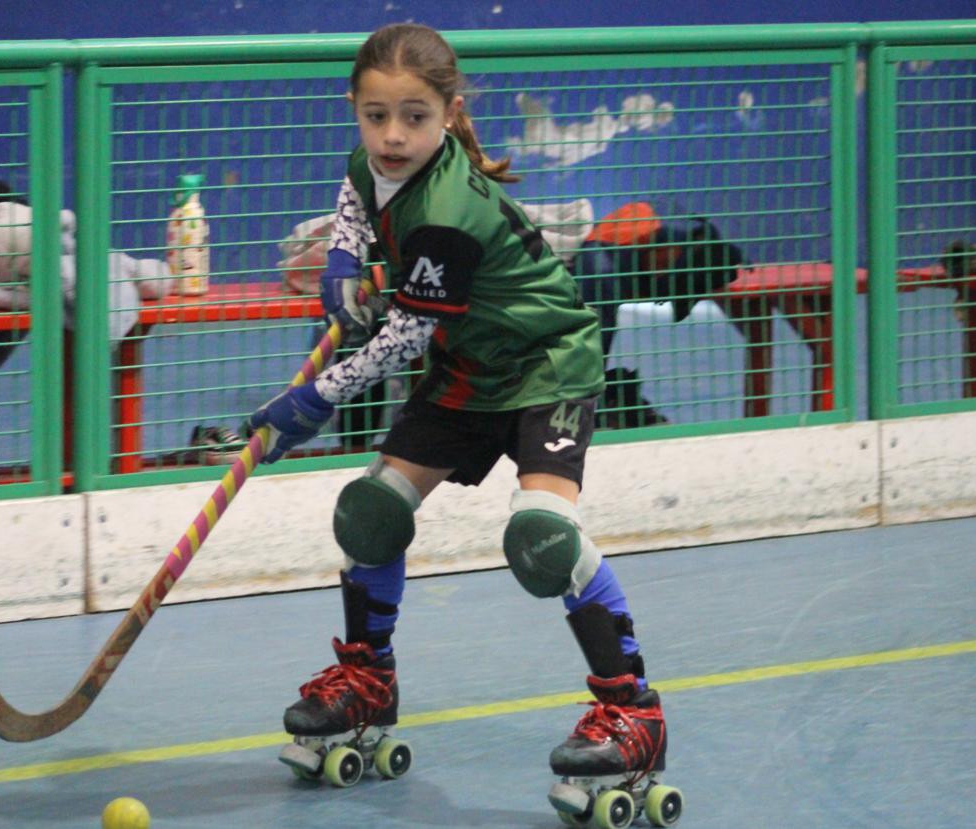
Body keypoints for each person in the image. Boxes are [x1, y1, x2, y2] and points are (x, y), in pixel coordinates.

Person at [249, 22, 675, 812]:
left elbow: (406, 335)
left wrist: (313, 398)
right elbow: (356, 195)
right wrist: (343, 256)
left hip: (545, 362)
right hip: (469, 369)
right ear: (355, 108)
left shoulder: (447, 210)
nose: (392, 136)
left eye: (413, 117)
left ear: (449, 114)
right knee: (371, 512)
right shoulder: (375, 161)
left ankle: (633, 713)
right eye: (375, 115)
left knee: (542, 538)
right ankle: (367, 681)